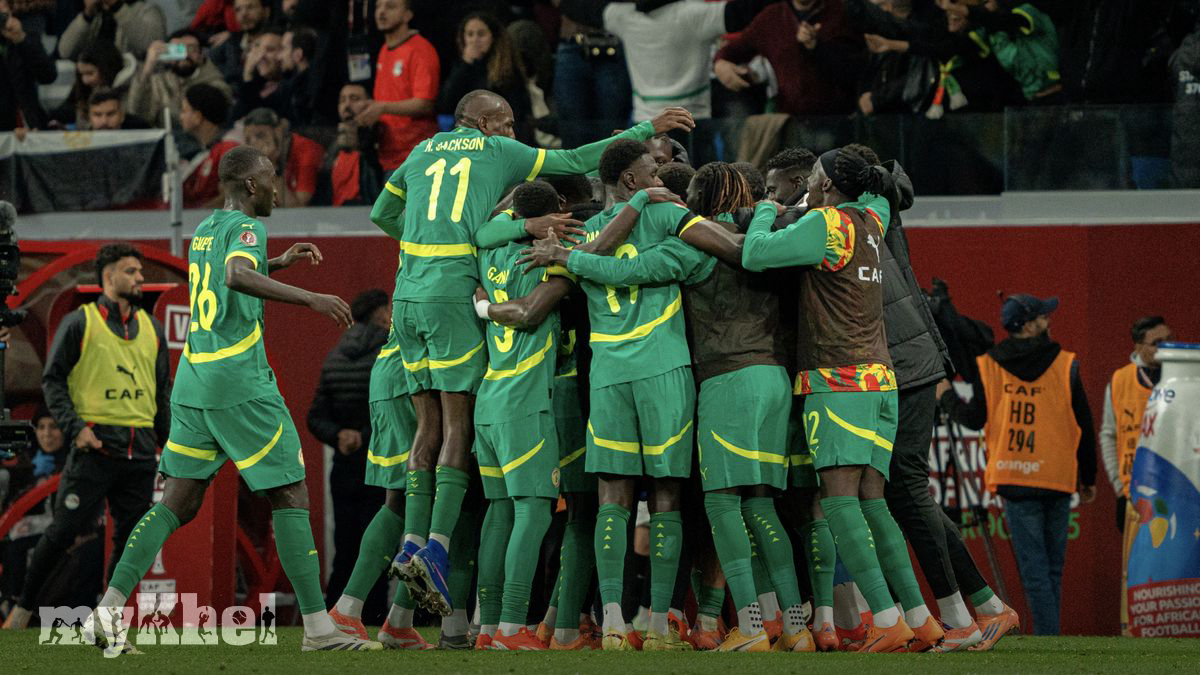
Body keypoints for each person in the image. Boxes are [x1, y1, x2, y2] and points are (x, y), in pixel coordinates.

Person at [370, 90, 694, 621]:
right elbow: (573, 159)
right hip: (536, 385)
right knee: (530, 495)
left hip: (411, 296)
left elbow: (383, 212)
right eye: (506, 123)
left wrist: (433, 243)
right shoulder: (506, 169)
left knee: (434, 434)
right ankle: (467, 575)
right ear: (481, 124)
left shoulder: (424, 152)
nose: (512, 133)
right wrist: (644, 128)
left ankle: (421, 559)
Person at [81, 145, 374, 654]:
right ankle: (318, 629)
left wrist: (276, 263)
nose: (278, 188)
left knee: (176, 503)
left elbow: (227, 276)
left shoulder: (206, 229)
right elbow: (237, 275)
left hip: (195, 379)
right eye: (272, 178)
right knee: (290, 492)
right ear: (252, 185)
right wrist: (311, 297)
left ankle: (105, 612)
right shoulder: (247, 228)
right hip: (238, 381)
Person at [741, 145, 940, 652]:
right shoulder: (874, 218)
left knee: (839, 501)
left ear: (827, 184)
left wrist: (764, 209)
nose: (808, 183)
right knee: (874, 502)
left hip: (838, 379)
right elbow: (882, 193)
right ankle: (920, 619)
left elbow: (755, 254)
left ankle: (888, 619)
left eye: (812, 176)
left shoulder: (828, 224)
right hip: (881, 380)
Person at [857, 143, 1014, 651]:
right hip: (904, 361)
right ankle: (984, 606)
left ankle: (960, 616)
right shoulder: (871, 210)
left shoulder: (860, 218)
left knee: (904, 489)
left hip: (904, 363)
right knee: (902, 492)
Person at [1, 245, 170, 632]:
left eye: (140, 271)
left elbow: (161, 393)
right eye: (131, 271)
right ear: (109, 277)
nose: (140, 278)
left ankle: (108, 619)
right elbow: (52, 381)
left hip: (141, 452)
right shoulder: (80, 323)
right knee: (63, 531)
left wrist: (170, 446)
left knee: (130, 541)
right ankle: (21, 612)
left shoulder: (153, 328)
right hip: (95, 449)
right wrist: (77, 429)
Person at [937, 293, 1098, 636]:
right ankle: (1050, 637)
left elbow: (973, 418)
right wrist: (1088, 477)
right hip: (1056, 477)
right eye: (1042, 316)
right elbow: (1084, 425)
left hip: (1015, 478)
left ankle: (1049, 637)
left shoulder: (990, 364)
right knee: (1052, 570)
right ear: (1028, 325)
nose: (1048, 321)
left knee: (1035, 573)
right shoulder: (1065, 363)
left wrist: (946, 395)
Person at [465, 180, 576, 650]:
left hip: (489, 400)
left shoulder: (488, 252)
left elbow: (486, 225)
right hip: (525, 401)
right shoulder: (551, 260)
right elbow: (530, 312)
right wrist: (489, 310)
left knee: (499, 512)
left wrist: (483, 303)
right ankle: (512, 626)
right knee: (533, 512)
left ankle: (487, 627)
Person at [306, 289, 392, 625]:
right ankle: (373, 613)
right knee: (378, 543)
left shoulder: (335, 356)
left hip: (343, 466)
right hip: (379, 463)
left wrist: (340, 435)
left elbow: (315, 417)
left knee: (345, 545)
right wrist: (366, 437)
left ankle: (333, 613)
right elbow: (393, 411)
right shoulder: (389, 352)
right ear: (381, 313)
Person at [1101, 315, 1173, 635]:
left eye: (1168, 340)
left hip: (1176, 491)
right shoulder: (1120, 381)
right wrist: (1119, 486)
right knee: (1137, 569)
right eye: (1158, 343)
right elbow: (1108, 434)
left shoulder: (1181, 380)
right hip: (1135, 494)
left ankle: (1176, 628)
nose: (1165, 348)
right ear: (1139, 346)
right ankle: (1134, 630)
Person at [714, 0, 861, 116]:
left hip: (838, 121)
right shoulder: (772, 17)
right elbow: (734, 49)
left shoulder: (842, 13)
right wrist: (720, 63)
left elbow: (856, 69)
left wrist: (817, 47)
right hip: (790, 123)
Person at [360, 0, 439, 172]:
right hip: (388, 156)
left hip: (416, 157)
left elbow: (425, 103)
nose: (381, 12)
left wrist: (382, 107)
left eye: (390, 6)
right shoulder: (384, 50)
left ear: (407, 15)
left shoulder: (421, 50)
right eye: (378, 6)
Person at [437, 12, 532, 143]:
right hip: (468, 140)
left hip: (500, 140)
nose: (474, 40)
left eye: (481, 34)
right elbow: (445, 105)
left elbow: (516, 113)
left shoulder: (507, 69)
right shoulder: (461, 67)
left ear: (493, 37)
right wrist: (466, 64)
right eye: (470, 34)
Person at [129, 29, 231, 128]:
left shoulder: (214, 83)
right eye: (177, 50)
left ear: (201, 56)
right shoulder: (159, 82)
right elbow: (138, 115)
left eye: (191, 49)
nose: (184, 55)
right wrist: (147, 69)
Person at [241, 107, 323, 207]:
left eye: (260, 135)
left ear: (279, 131)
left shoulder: (307, 151)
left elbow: (296, 209)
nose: (254, 144)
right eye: (248, 140)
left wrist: (271, 166)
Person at [323, 82, 384, 207]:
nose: (347, 105)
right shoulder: (333, 147)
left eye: (354, 99)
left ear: (370, 105)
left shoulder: (382, 140)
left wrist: (362, 146)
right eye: (342, 100)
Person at [0, 0, 57, 131]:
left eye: (4, 7)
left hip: (21, 124)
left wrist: (21, 39)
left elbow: (48, 75)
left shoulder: (23, 34)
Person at [180, 83, 238, 208]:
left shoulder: (228, 148)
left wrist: (198, 215)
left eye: (184, 111)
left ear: (197, 117)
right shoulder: (203, 153)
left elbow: (232, 196)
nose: (181, 117)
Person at [51, 39, 130, 128]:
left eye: (90, 73)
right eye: (82, 74)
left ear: (106, 69)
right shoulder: (83, 90)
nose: (85, 80)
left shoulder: (131, 90)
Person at [58, 0, 166, 61]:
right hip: (96, 87)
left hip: (132, 87)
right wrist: (87, 15)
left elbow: (151, 45)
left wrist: (116, 6)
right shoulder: (96, 15)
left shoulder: (146, 10)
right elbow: (65, 52)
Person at [231, 28, 289, 121]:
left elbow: (257, 118)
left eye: (270, 50)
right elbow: (234, 119)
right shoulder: (253, 83)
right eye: (259, 50)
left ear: (282, 54)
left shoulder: (287, 89)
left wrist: (248, 75)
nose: (261, 56)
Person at [209, 0, 272, 86]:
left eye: (250, 7)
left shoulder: (277, 43)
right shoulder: (230, 43)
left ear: (266, 12)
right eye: (238, 10)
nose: (244, 14)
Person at [279, 25, 320, 126]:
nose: (279, 57)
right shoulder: (294, 84)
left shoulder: (304, 90)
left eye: (283, 49)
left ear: (298, 54)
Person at [86, 87, 150, 129]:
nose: (104, 121)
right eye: (98, 115)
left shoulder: (142, 130)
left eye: (110, 114)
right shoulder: (83, 139)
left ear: (122, 116)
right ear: (89, 118)